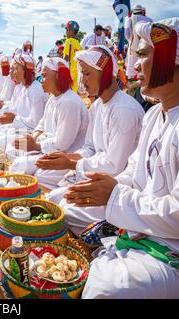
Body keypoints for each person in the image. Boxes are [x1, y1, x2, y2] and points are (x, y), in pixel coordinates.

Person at [64, 18, 179, 299]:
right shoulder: (154, 115)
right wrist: (103, 185)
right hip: (139, 227)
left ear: (173, 58)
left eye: (142, 54)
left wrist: (112, 195)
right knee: (63, 207)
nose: (134, 66)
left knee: (109, 291)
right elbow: (134, 173)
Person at [43, 45, 145, 229]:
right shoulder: (98, 106)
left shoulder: (123, 109)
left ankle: (109, 230)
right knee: (53, 198)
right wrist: (69, 159)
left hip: (115, 186)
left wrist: (72, 164)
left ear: (104, 72)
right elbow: (89, 148)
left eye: (87, 74)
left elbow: (115, 166)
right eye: (82, 74)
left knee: (63, 211)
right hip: (93, 175)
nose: (83, 81)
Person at [9, 57, 89, 189]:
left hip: (65, 156)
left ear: (58, 76)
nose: (41, 80)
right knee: (13, 151)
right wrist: (32, 139)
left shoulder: (69, 102)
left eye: (45, 76)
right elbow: (41, 123)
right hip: (45, 148)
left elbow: (62, 144)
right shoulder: (53, 99)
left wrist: (36, 146)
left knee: (25, 168)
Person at [125, 4, 153, 80]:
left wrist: (131, 40)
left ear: (133, 11)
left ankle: (133, 87)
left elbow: (126, 34)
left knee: (132, 70)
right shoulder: (150, 20)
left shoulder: (130, 19)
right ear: (142, 11)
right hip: (147, 48)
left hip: (134, 47)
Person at [63, 21, 82, 92]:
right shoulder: (78, 43)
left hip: (70, 72)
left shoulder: (69, 41)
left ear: (70, 31)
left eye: (66, 30)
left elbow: (65, 59)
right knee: (74, 94)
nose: (66, 32)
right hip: (77, 73)